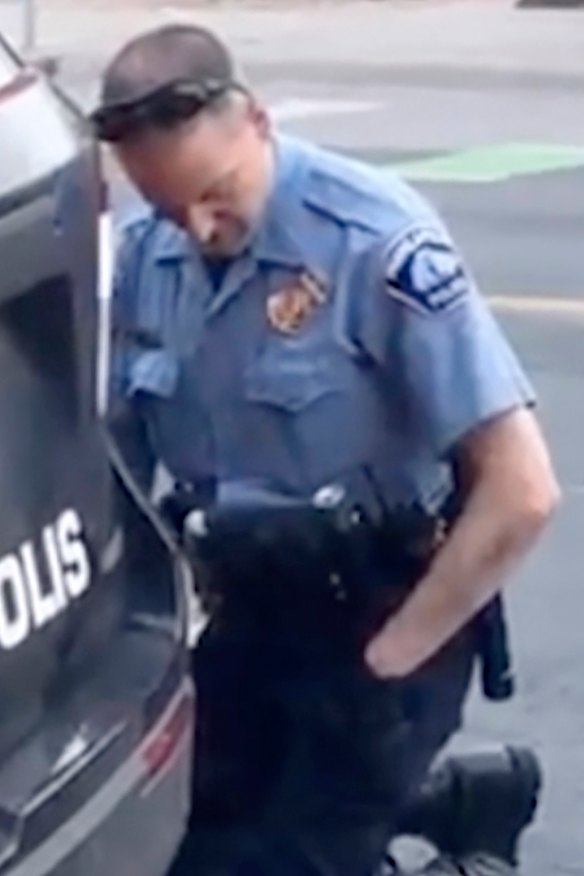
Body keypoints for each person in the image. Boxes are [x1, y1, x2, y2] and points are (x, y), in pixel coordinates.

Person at [91, 24, 560, 876]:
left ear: (258, 123)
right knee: (182, 846)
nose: (197, 228)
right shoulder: (145, 258)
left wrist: (389, 663)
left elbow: (522, 490)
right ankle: (448, 805)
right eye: (167, 207)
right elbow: (113, 464)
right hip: (247, 618)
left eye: (216, 194)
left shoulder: (372, 240)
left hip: (379, 619)